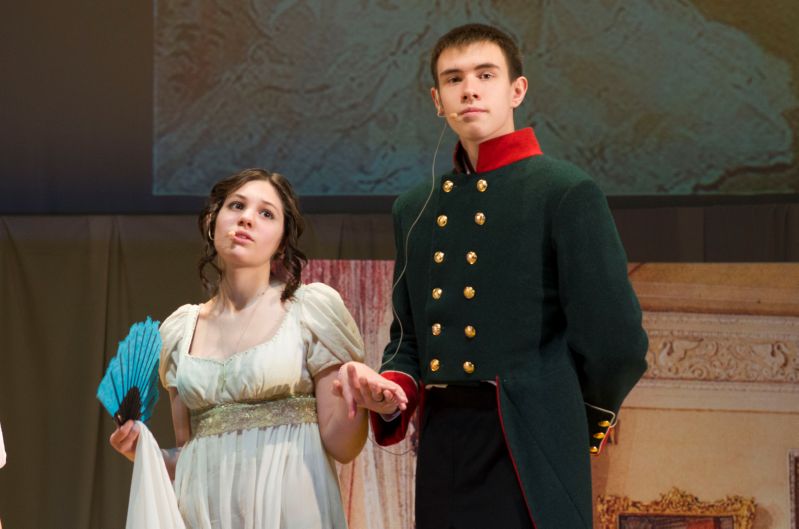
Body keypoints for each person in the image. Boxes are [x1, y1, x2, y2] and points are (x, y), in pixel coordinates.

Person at [334, 23, 649, 529]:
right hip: (444, 443)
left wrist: (568, 419)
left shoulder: (565, 191)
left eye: (485, 75)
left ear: (516, 90)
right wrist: (391, 391)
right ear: (437, 100)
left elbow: (617, 341)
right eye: (454, 79)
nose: (470, 90)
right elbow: (408, 339)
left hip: (530, 444)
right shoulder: (414, 207)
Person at [110, 168, 404, 529]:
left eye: (266, 213)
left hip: (291, 510)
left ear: (281, 241)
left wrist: (357, 398)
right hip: (206, 515)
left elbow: (341, 446)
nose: (247, 218)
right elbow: (191, 454)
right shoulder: (179, 331)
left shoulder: (311, 311)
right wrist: (145, 452)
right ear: (212, 222)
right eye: (236, 206)